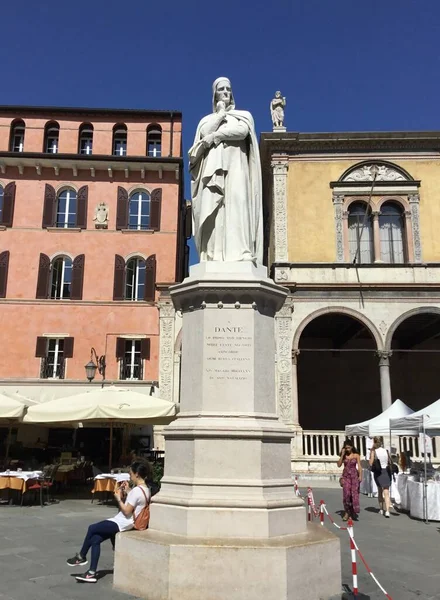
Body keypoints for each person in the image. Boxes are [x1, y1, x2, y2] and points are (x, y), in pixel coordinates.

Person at [189, 77, 263, 263]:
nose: (225, 92)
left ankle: (242, 252)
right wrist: (220, 115)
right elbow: (204, 134)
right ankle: (214, 254)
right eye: (221, 89)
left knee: (239, 204)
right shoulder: (207, 120)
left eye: (228, 89)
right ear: (214, 95)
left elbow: (241, 132)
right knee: (215, 209)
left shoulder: (243, 115)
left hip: (237, 167)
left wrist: (217, 136)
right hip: (213, 171)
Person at [66, 459, 152, 583]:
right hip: (124, 521)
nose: (130, 476)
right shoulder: (145, 489)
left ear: (137, 474)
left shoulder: (137, 491)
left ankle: (81, 556)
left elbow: (127, 511)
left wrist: (118, 498)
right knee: (95, 539)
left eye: (131, 473)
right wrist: (128, 491)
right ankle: (91, 573)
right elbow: (136, 502)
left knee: (92, 528)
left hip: (122, 523)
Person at [337, 439, 362, 521]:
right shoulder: (344, 456)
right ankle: (347, 511)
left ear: (351, 447)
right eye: (346, 448)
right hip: (346, 476)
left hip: (354, 476)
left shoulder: (356, 455)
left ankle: (353, 511)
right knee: (347, 494)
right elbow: (339, 465)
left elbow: (359, 466)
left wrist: (360, 476)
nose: (347, 449)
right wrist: (342, 454)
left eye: (348, 448)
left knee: (354, 494)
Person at [369, 436, 392, 518]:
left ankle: (381, 509)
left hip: (378, 472)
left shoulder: (374, 451)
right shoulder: (386, 451)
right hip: (386, 471)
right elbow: (389, 461)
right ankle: (388, 511)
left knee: (379, 490)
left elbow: (371, 463)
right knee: (386, 492)